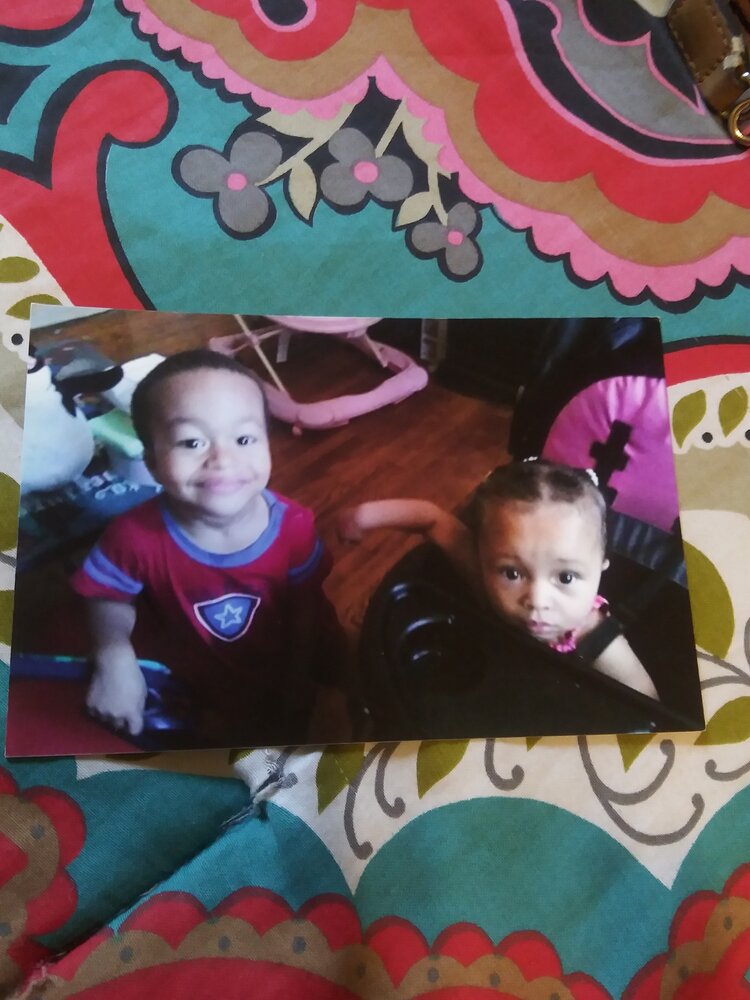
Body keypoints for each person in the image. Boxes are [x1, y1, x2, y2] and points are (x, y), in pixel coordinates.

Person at [71, 348, 350, 746]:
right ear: (152, 463)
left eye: (244, 438)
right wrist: (113, 654)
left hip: (298, 661)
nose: (222, 458)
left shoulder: (295, 526)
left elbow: (307, 611)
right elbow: (107, 596)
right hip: (201, 677)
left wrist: (302, 682)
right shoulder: (133, 536)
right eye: (191, 442)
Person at [338, 459, 659, 700]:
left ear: (602, 567)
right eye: (513, 573)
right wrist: (363, 516)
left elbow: (647, 703)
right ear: (483, 555)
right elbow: (431, 519)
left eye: (565, 576)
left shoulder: (594, 636)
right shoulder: (482, 572)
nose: (536, 599)